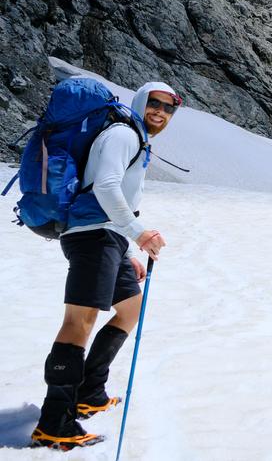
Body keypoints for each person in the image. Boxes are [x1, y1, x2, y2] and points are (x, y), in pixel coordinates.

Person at [30, 82, 182, 451]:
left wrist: (124, 250)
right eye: (155, 103)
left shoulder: (135, 138)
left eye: (169, 107)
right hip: (92, 237)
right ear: (141, 101)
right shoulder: (123, 134)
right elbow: (106, 187)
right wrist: (139, 234)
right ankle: (54, 422)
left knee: (131, 309)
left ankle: (89, 391)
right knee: (78, 322)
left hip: (107, 238)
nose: (160, 112)